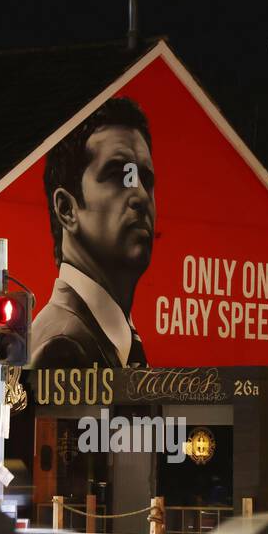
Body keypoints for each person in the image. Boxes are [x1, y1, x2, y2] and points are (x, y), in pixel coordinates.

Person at [30, 96, 156, 369]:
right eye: (118, 176)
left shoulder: (117, 338)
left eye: (146, 180)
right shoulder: (61, 348)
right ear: (66, 208)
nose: (141, 196)